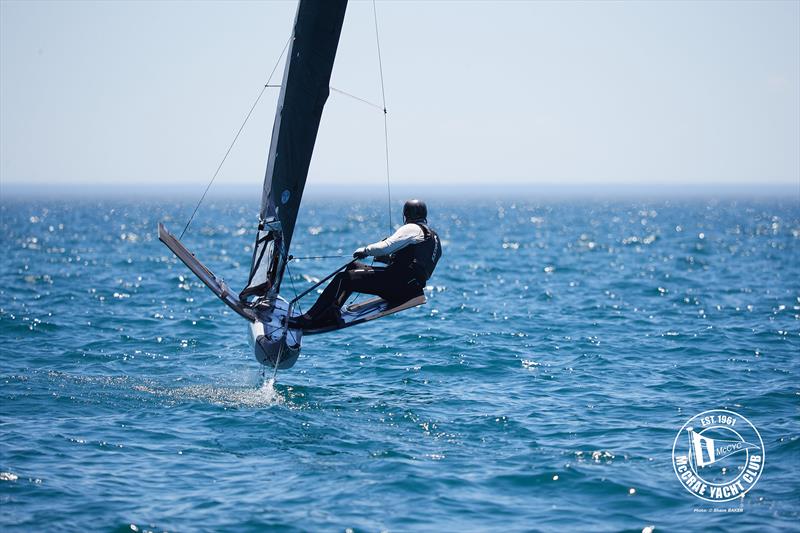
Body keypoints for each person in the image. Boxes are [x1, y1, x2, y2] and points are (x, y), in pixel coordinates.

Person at [289, 199, 442, 330]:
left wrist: (366, 250)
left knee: (344, 278)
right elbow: (418, 264)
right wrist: (388, 259)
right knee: (353, 267)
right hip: (410, 287)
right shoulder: (432, 237)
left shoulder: (412, 228)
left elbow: (386, 246)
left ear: (406, 215)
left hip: (398, 286)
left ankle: (309, 318)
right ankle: (332, 311)